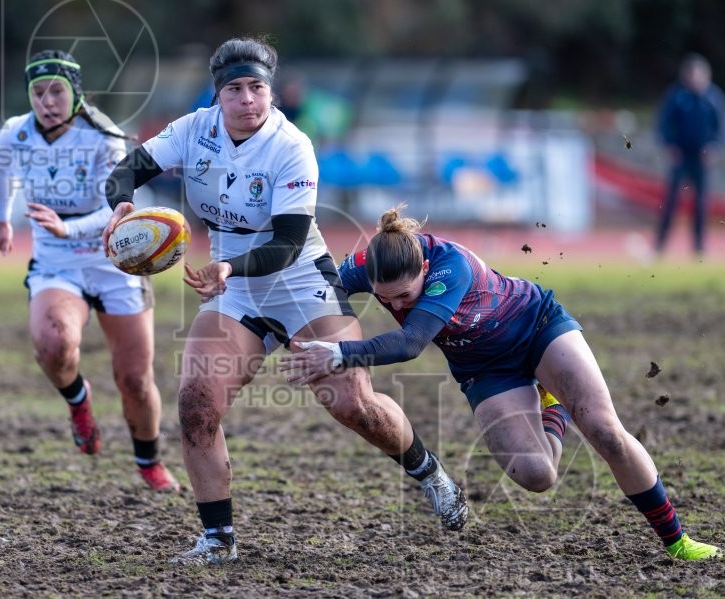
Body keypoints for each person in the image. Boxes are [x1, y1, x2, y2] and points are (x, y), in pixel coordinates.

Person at [102, 37, 468, 566]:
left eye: (258, 88)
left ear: (270, 91)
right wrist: (122, 205)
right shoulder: (192, 130)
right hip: (235, 289)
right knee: (197, 405)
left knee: (353, 405)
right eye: (235, 89)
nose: (248, 99)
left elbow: (287, 243)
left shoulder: (291, 146)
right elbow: (126, 170)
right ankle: (218, 539)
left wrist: (228, 265)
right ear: (218, 95)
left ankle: (426, 470)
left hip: (298, 281)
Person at [281, 205, 720, 561]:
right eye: (385, 298)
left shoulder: (449, 267)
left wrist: (339, 353)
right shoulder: (370, 264)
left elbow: (412, 341)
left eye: (405, 297)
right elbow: (314, 287)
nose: (394, 304)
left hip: (537, 327)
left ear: (424, 268)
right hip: (485, 369)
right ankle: (554, 405)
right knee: (536, 475)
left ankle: (678, 541)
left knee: (606, 433)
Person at [0, 50, 179, 491]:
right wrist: (1, 217)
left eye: (57, 90)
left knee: (134, 379)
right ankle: (78, 400)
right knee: (52, 344)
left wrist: (66, 224)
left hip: (116, 262)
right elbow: (1, 172)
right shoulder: (15, 133)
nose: (47, 100)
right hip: (57, 263)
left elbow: (114, 209)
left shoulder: (104, 137)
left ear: (75, 93)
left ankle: (148, 461)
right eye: (38, 92)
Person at [655, 52, 723, 258]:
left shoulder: (713, 97)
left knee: (701, 203)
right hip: (681, 155)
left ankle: (699, 248)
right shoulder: (676, 95)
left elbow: (720, 128)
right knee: (672, 200)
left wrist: (714, 148)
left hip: (701, 157)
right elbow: (664, 123)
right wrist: (669, 145)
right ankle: (659, 246)